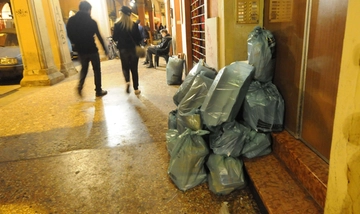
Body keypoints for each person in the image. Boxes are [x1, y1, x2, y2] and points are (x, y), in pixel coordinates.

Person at [66, 1, 108, 97]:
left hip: (81, 50)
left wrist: (75, 43)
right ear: (88, 10)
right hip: (92, 49)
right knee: (97, 70)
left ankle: (80, 86)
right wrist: (105, 49)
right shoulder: (91, 22)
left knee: (84, 69)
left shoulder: (71, 21)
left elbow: (69, 33)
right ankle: (98, 90)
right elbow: (99, 36)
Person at [112, 6, 142, 95]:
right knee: (134, 69)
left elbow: (115, 38)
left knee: (125, 67)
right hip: (133, 49)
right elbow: (139, 38)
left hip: (123, 49)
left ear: (121, 14)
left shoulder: (117, 25)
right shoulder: (134, 25)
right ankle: (136, 89)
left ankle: (127, 81)